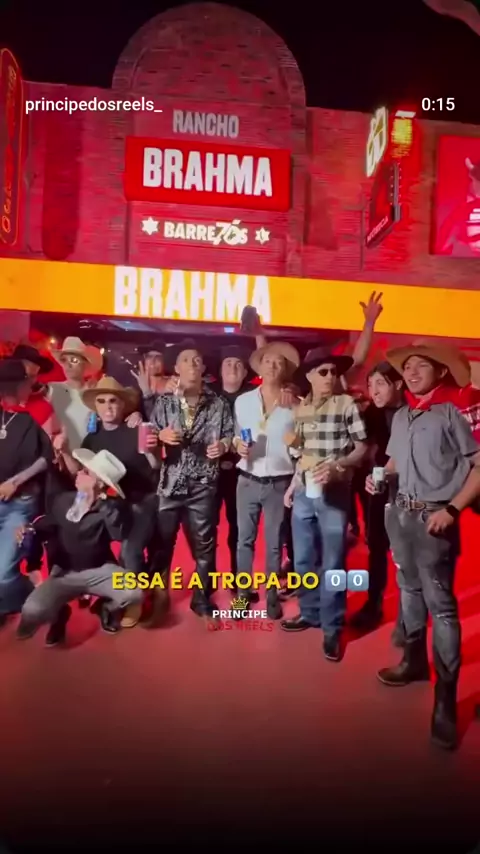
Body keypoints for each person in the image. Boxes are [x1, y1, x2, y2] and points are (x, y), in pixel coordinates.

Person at [368, 342, 480, 750]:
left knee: (442, 607)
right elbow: (396, 461)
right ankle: (413, 661)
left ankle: (445, 701)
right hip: (401, 513)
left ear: (441, 372)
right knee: (409, 591)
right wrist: (381, 475)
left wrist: (452, 509)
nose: (412, 373)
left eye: (422, 366)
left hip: (435, 518)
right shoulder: (402, 415)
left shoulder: (453, 413)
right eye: (408, 367)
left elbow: (479, 464)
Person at [281, 347, 368, 662]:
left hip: (334, 492)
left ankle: (332, 628)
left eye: (334, 372)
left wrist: (338, 466)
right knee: (303, 560)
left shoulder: (346, 405)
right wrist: (293, 485)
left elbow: (362, 448)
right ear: (309, 376)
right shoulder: (301, 408)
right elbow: (301, 453)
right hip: (305, 491)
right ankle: (310, 612)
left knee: (333, 564)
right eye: (323, 372)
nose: (330, 377)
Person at [54, 377, 160, 628]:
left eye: (113, 400)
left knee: (130, 550)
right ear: (96, 406)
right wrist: (65, 450)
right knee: (84, 536)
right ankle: (105, 591)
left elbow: (156, 466)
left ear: (123, 404)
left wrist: (151, 451)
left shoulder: (137, 429)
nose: (108, 406)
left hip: (141, 500)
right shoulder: (93, 437)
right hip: (109, 502)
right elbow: (79, 471)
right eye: (101, 401)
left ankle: (135, 599)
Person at [147, 339, 234, 626]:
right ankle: (157, 597)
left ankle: (202, 600)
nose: (193, 364)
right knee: (162, 544)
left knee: (205, 546)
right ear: (176, 367)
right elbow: (148, 436)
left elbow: (230, 435)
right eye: (186, 360)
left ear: (204, 367)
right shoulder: (164, 402)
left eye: (197, 359)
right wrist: (160, 436)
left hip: (204, 483)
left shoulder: (219, 403)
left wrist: (223, 445)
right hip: (170, 483)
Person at [16, 448, 143, 644]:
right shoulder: (62, 501)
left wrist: (101, 502)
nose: (79, 472)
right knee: (32, 611)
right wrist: (28, 530)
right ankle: (59, 616)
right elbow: (44, 527)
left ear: (99, 483)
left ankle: (104, 607)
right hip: (64, 573)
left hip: (100, 570)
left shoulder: (112, 509)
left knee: (134, 592)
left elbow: (119, 534)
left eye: (86, 472)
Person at [233, 341, 300, 618]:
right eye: (268, 361)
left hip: (278, 483)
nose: (272, 366)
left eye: (279, 362)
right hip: (247, 479)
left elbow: (301, 444)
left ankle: (272, 597)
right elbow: (236, 435)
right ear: (259, 367)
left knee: (274, 544)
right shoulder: (243, 401)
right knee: (244, 541)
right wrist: (238, 444)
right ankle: (242, 596)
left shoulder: (294, 405)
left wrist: (294, 439)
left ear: (285, 370)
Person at [350, 362, 406, 643]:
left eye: (380, 384)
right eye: (371, 385)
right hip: (379, 489)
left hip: (411, 492)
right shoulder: (371, 413)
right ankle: (373, 605)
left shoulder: (415, 412)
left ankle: (409, 619)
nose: (374, 391)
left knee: (406, 555)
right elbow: (364, 449)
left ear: (398, 384)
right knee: (376, 547)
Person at [0, 360, 54, 626]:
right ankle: (5, 604)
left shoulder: (36, 412)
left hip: (21, 502)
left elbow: (46, 456)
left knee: (3, 573)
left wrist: (15, 481)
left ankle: (34, 594)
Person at [48, 337, 103, 449]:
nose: (68, 365)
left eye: (74, 360)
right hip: (59, 454)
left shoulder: (95, 392)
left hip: (88, 453)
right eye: (64, 360)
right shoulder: (53, 389)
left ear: (85, 364)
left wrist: (134, 415)